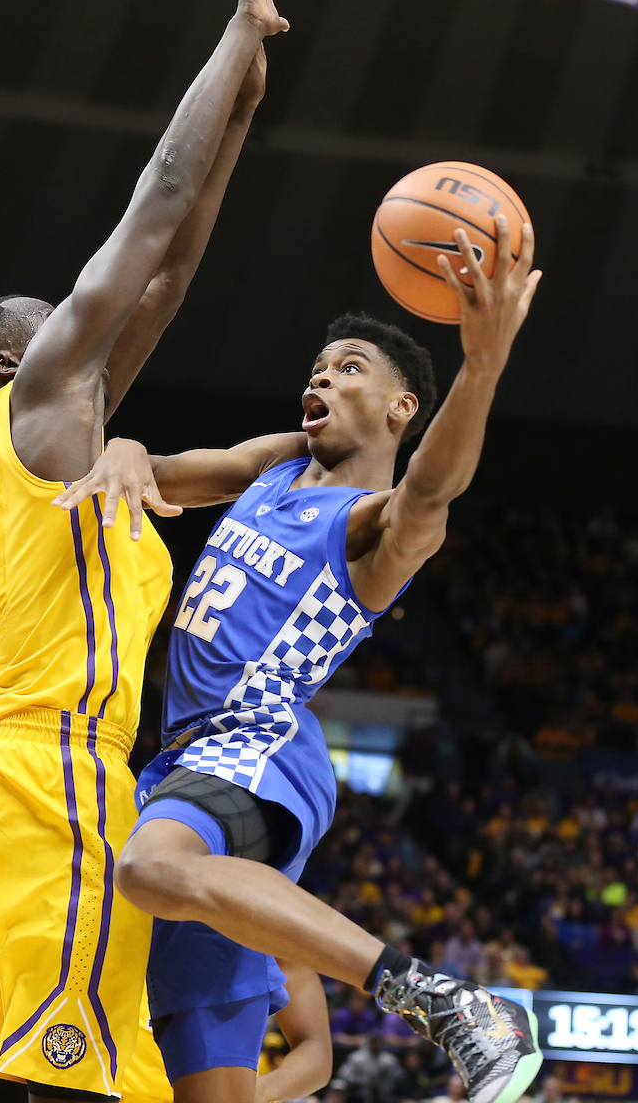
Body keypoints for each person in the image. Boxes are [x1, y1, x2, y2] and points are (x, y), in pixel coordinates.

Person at [56, 216, 544, 1103]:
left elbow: (431, 488)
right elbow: (153, 470)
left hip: (257, 745)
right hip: (185, 767)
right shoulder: (273, 469)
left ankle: (444, 1001)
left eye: (350, 367)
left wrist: (482, 366)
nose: (321, 375)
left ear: (402, 409)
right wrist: (125, 449)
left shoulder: (371, 529)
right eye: (318, 367)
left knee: (149, 869)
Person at [0, 0, 289, 1103]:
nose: (82, 327)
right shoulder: (35, 402)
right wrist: (234, 31)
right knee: (70, 1083)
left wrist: (242, 107)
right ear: (10, 360)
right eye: (57, 320)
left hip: (28, 776)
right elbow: (156, 203)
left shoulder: (46, 450)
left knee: (52, 1070)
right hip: (51, 774)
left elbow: (168, 273)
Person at [0, 964, 331, 1103]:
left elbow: (315, 1050)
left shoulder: (264, 914)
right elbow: (17, 976)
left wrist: (250, 1096)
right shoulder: (118, 883)